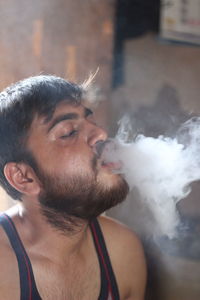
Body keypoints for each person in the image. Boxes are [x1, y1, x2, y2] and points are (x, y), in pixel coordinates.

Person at [0, 75, 146, 300]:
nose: (100, 134)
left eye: (90, 121)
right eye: (69, 132)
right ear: (24, 177)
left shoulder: (123, 251)